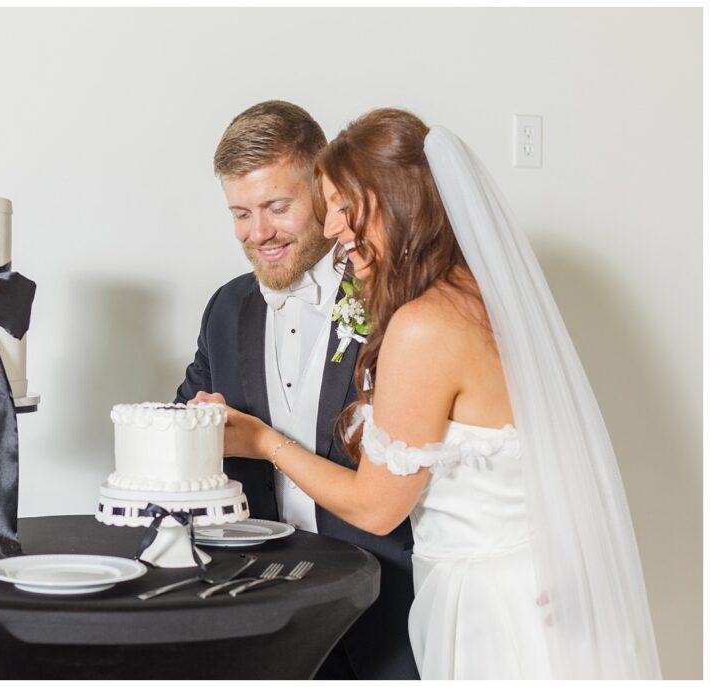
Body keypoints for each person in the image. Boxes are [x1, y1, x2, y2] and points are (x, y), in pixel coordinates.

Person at [190, 108, 661, 679]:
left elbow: (376, 506)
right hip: (515, 582)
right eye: (240, 212)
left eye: (343, 207)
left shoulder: (421, 325)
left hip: (487, 604)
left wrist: (265, 441)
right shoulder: (475, 297)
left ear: (396, 200)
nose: (336, 228)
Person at [175, 101, 420, 680]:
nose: (258, 233)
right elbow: (186, 419)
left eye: (276, 207)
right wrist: (196, 424)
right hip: (257, 612)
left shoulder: (391, 296)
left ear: (323, 191)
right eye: (240, 213)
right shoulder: (226, 306)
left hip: (386, 611)